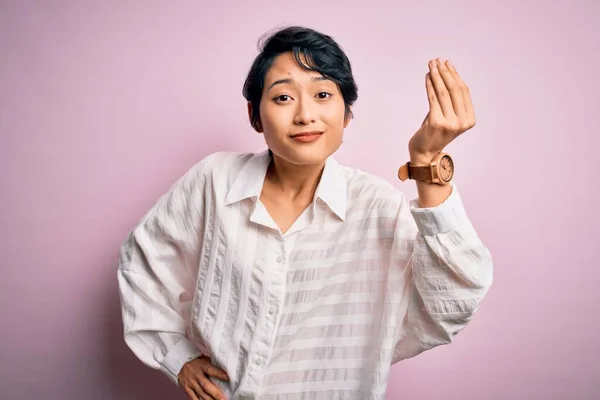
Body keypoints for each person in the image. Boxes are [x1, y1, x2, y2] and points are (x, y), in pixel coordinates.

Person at [117, 25, 493, 400]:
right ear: (255, 116)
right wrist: (176, 357)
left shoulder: (379, 208)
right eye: (282, 97)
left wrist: (426, 164)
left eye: (323, 93)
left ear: (347, 114)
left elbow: (451, 305)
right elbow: (142, 265)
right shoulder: (214, 181)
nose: (305, 114)